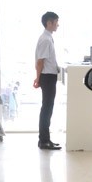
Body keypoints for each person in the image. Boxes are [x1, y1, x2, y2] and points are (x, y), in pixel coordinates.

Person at [34, 11, 61, 150]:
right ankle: (44, 140)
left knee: (47, 108)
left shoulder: (48, 37)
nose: (58, 25)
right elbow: (40, 62)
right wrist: (38, 78)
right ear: (49, 23)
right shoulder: (45, 39)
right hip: (47, 77)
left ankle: (45, 139)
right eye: (56, 22)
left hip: (49, 76)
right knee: (47, 109)